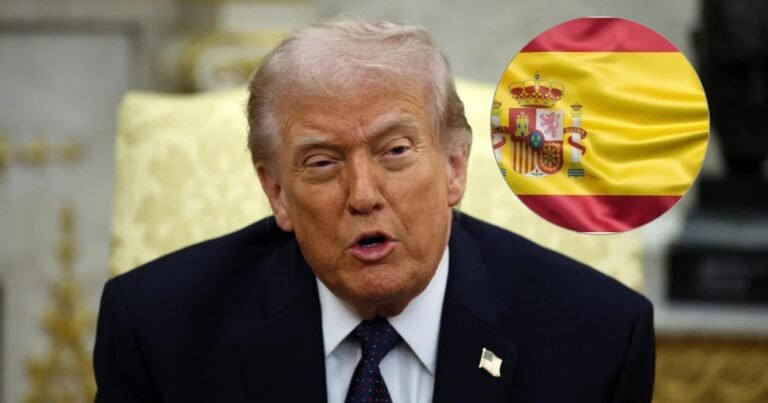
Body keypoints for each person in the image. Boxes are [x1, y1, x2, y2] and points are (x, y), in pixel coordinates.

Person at [93, 18, 654, 403]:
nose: (363, 195)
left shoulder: (596, 337)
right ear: (278, 194)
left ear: (455, 167)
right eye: (321, 162)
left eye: (396, 151)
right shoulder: (159, 331)